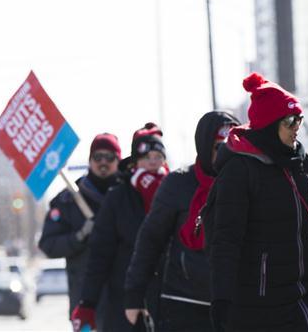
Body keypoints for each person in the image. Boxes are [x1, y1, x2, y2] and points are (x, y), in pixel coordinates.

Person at [206, 72, 308, 332]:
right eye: (290, 121)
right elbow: (226, 239)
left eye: (299, 119)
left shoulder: (301, 162)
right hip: (262, 302)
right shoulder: (240, 169)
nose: (296, 126)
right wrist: (222, 297)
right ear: (269, 124)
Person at [124, 111, 240, 331]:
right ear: (204, 146)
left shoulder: (250, 182)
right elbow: (150, 241)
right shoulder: (178, 184)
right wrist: (134, 295)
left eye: (233, 145)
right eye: (219, 147)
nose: (226, 152)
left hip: (238, 305)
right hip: (184, 303)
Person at [71, 123, 169, 332]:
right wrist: (88, 303)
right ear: (135, 161)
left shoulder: (175, 191)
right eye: (146, 157)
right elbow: (100, 254)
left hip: (168, 297)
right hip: (125, 303)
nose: (152, 162)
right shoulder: (118, 196)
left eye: (157, 156)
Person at [39, 133, 122, 324]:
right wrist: (79, 237)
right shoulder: (68, 201)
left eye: (109, 157)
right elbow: (48, 244)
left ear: (118, 160)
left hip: (125, 304)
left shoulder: (130, 195)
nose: (103, 162)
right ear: (90, 160)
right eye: (98, 157)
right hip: (85, 303)